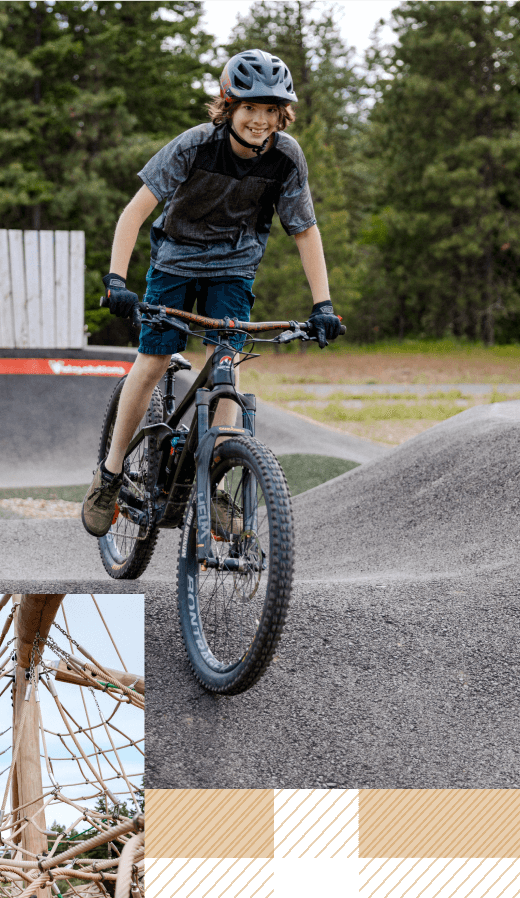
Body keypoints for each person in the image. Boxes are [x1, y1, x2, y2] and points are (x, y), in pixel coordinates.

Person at [81, 49, 343, 537]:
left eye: (270, 110)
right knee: (153, 362)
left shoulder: (287, 157)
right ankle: (110, 474)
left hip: (234, 270)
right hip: (175, 263)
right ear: (228, 106)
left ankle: (215, 483)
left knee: (227, 366)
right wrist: (117, 281)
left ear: (282, 114)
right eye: (249, 108)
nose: (260, 120)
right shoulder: (195, 146)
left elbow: (305, 230)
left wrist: (323, 304)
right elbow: (134, 212)